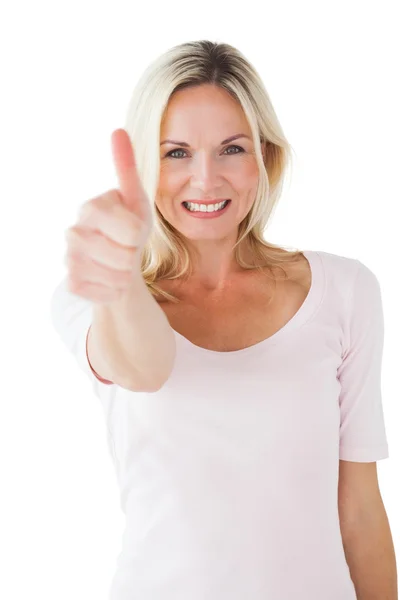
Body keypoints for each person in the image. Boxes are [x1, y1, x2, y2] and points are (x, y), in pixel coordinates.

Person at [50, 39, 390, 600]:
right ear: (143, 165)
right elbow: (142, 367)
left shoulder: (345, 292)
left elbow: (359, 507)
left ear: (266, 158)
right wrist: (118, 278)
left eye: (231, 149)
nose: (205, 180)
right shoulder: (95, 294)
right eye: (176, 153)